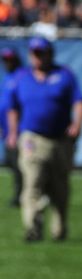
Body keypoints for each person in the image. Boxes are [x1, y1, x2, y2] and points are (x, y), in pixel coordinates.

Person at [5, 36, 82, 242]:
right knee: (32, 183)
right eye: (34, 53)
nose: (38, 57)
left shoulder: (64, 75)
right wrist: (13, 132)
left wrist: (77, 124)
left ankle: (59, 228)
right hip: (32, 137)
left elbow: (79, 101)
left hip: (59, 139)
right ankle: (33, 227)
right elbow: (12, 107)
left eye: (42, 53)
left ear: (50, 54)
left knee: (59, 188)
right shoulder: (22, 77)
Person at [0, 48, 23, 207]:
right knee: (11, 162)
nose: (7, 62)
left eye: (9, 59)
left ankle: (20, 196)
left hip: (20, 130)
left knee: (19, 164)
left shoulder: (23, 77)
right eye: (5, 59)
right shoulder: (8, 79)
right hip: (8, 130)